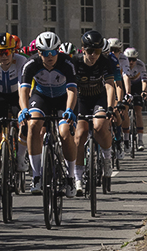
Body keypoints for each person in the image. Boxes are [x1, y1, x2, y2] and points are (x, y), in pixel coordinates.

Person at [18, 32, 79, 195]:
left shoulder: (67, 63)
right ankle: (36, 176)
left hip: (63, 98)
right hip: (41, 97)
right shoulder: (31, 64)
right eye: (45, 52)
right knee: (33, 126)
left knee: (65, 133)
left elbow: (72, 90)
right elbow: (23, 90)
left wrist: (69, 110)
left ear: (58, 50)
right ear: (39, 52)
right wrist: (24, 109)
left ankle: (71, 178)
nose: (50, 56)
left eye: (53, 51)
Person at [0, 31, 28, 207]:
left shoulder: (21, 60)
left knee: (26, 123)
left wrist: (24, 110)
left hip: (17, 95)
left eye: (7, 52)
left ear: (13, 51)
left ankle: (21, 158)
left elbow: (23, 87)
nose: (3, 56)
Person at [72, 30, 118, 186]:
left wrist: (111, 107)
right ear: (83, 48)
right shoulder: (75, 62)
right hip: (82, 99)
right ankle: (77, 176)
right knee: (80, 135)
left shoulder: (105, 62)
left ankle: (106, 157)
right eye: (90, 51)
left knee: (99, 127)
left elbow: (110, 86)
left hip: (99, 97)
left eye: (97, 51)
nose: (93, 55)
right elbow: (69, 88)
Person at [123, 47, 145, 150]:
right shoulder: (122, 63)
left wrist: (144, 91)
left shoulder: (140, 65)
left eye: (133, 59)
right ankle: (126, 138)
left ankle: (140, 139)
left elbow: (144, 80)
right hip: (125, 86)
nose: (131, 62)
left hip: (136, 86)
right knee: (124, 109)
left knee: (138, 111)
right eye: (129, 59)